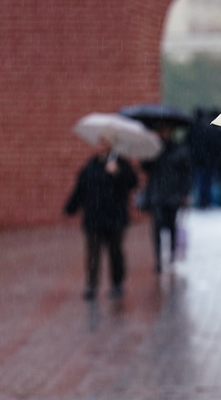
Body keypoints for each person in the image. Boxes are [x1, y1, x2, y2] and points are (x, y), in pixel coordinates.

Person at [64, 139, 138, 300]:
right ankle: (91, 285)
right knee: (92, 253)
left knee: (115, 252)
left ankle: (117, 283)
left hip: (115, 217)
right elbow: (81, 187)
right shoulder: (91, 165)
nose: (101, 146)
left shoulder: (122, 163)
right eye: (100, 143)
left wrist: (118, 173)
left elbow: (132, 183)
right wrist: (71, 207)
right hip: (94, 217)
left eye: (105, 143)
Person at [140, 120, 193, 273]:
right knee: (157, 227)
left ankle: (170, 255)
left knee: (171, 226)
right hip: (157, 194)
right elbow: (145, 168)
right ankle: (158, 259)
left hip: (173, 195)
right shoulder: (153, 150)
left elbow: (187, 174)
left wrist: (185, 193)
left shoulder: (180, 151)